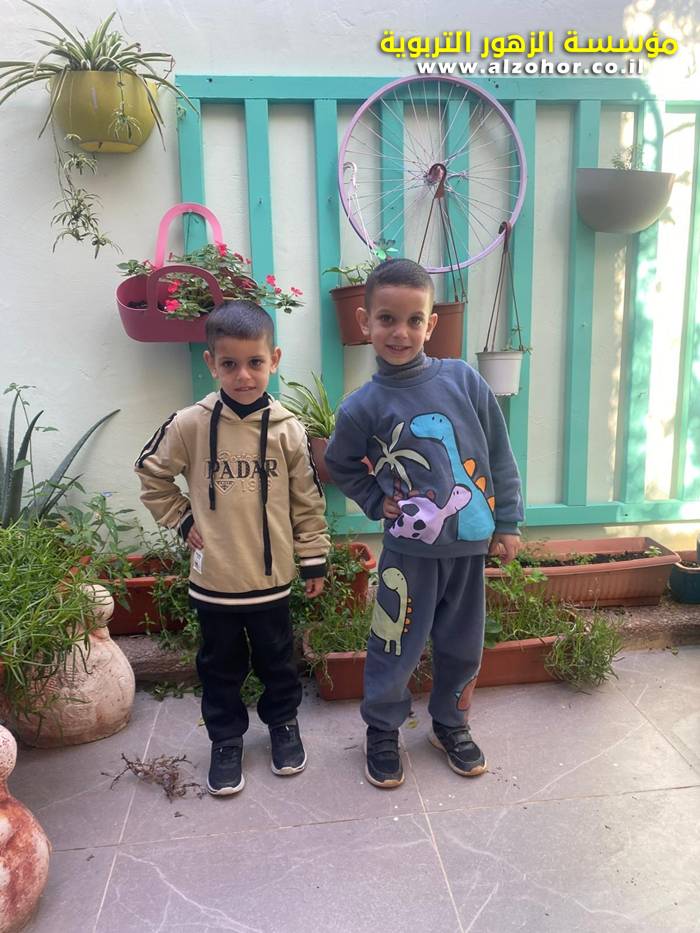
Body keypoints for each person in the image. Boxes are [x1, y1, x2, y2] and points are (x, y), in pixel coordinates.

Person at [325, 259, 523, 789]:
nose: (401, 332)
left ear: (431, 324)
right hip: (407, 557)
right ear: (365, 322)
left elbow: (498, 452)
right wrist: (375, 498)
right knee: (394, 644)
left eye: (414, 320)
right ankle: (382, 730)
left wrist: (507, 521)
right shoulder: (362, 407)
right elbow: (339, 463)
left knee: (463, 645)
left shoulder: (464, 380)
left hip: (468, 551)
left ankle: (451, 724)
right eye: (387, 319)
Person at [135, 299, 329, 796]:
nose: (243, 375)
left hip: (271, 581)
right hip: (214, 581)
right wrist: (182, 519)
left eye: (255, 362)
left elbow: (308, 501)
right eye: (230, 363)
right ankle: (225, 740)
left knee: (278, 662)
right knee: (219, 668)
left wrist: (313, 558)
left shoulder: (288, 430)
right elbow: (151, 473)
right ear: (211, 363)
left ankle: (283, 725)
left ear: (274, 360)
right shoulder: (189, 425)